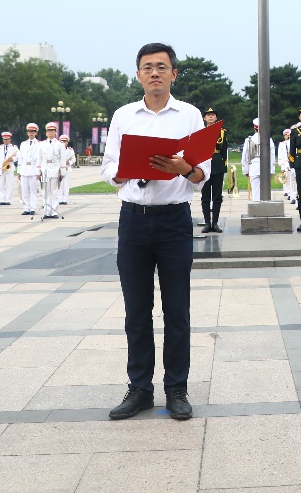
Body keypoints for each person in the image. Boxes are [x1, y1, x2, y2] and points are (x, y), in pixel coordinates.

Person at [101, 43, 208, 422]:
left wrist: (182, 167)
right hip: (133, 220)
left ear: (174, 74)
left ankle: (176, 388)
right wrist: (128, 168)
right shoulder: (124, 116)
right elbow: (108, 167)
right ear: (138, 75)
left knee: (176, 309)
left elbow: (202, 174)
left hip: (174, 221)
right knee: (136, 309)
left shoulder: (190, 115)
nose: (155, 73)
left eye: (162, 67)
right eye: (147, 67)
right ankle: (140, 388)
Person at [200, 107, 227, 233]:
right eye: (208, 115)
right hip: (205, 164)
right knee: (205, 196)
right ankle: (207, 222)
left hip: (217, 163)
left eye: (213, 115)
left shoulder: (222, 132)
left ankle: (215, 222)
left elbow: (224, 150)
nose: (210, 116)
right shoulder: (200, 131)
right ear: (204, 118)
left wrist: (224, 166)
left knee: (217, 196)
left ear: (216, 118)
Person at [241, 119, 276, 201]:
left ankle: (256, 207)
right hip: (266, 168)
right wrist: (272, 170)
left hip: (254, 167)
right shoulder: (269, 139)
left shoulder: (249, 140)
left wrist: (245, 171)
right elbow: (272, 156)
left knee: (255, 192)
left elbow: (245, 157)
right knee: (266, 192)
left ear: (254, 128)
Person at [39, 122, 66, 219]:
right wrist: (38, 171)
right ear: (46, 132)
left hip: (55, 169)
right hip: (45, 169)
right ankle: (46, 211)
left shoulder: (60, 144)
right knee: (45, 191)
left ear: (56, 132)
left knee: (54, 191)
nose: (50, 132)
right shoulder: (42, 144)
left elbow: (62, 159)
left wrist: (62, 172)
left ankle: (54, 211)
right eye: (49, 131)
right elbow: (39, 159)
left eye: (52, 130)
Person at [17, 123, 42, 216]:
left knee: (33, 190)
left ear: (36, 133)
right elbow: (20, 158)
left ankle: (33, 208)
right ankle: (26, 208)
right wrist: (19, 171)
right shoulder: (23, 144)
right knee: (24, 191)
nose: (31, 133)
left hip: (34, 169)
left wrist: (39, 171)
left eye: (33, 131)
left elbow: (40, 159)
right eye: (29, 131)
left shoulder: (39, 144)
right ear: (27, 133)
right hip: (24, 169)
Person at [0, 131, 18, 206]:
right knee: (1, 184)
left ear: (10, 139)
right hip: (1, 167)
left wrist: (13, 159)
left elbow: (18, 156)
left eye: (7, 139)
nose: (5, 141)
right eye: (4, 139)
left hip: (9, 166)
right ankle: (2, 199)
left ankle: (8, 199)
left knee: (9, 184)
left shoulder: (14, 147)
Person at [278, 128, 296, 204]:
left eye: (288, 134)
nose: (287, 136)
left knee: (293, 180)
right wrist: (281, 165)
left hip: (292, 163)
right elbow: (280, 155)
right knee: (286, 179)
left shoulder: (293, 142)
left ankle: (292, 195)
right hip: (285, 163)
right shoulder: (282, 144)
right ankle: (287, 191)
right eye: (285, 135)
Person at [60, 135, 76, 204]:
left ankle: (65, 199)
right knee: (60, 185)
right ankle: (60, 199)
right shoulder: (57, 150)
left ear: (67, 142)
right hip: (60, 168)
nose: (63, 142)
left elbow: (74, 159)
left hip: (67, 168)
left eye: (65, 141)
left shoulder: (70, 150)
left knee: (66, 184)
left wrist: (69, 162)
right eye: (62, 141)